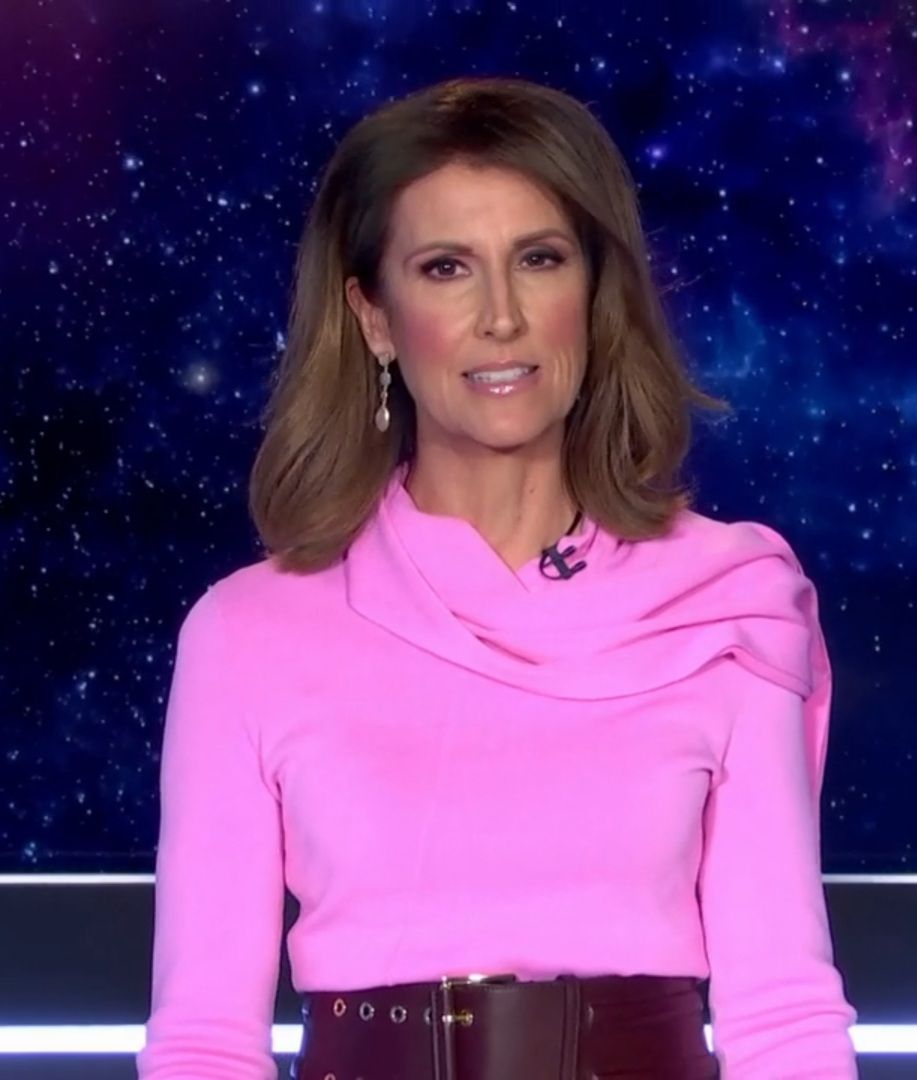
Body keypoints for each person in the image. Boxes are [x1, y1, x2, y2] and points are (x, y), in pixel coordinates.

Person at [136, 75, 859, 1079]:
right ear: (375, 317)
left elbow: (783, 1017)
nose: (502, 318)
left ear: (593, 296)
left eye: (539, 259)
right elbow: (203, 1041)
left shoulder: (725, 603)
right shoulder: (246, 631)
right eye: (445, 269)